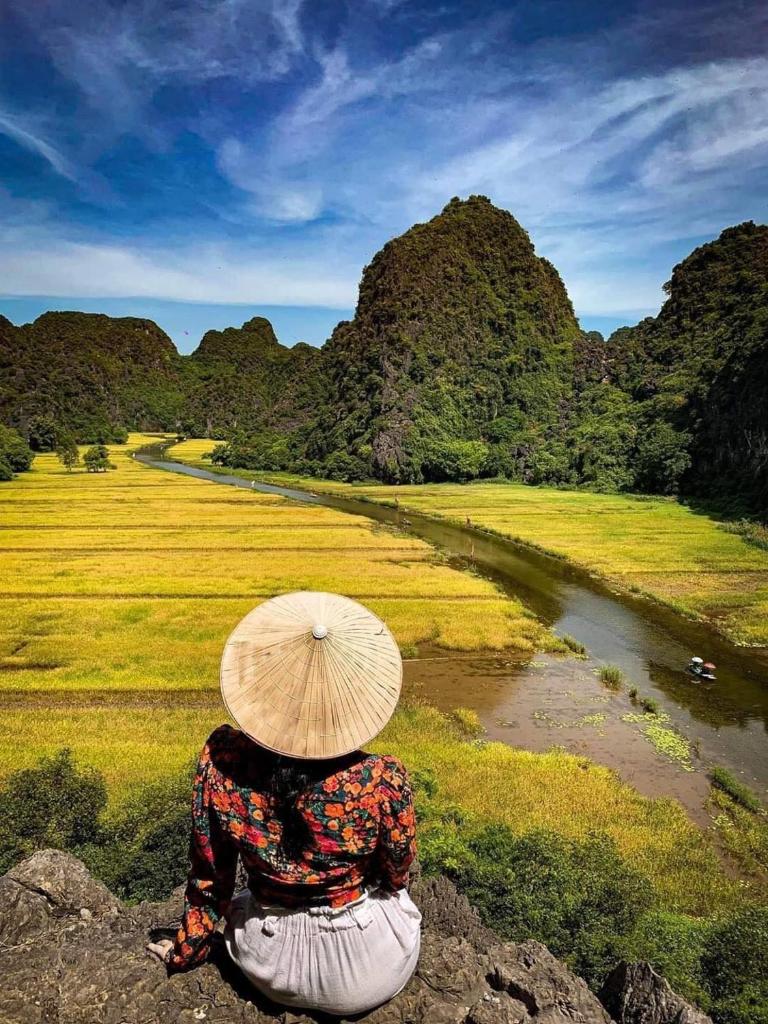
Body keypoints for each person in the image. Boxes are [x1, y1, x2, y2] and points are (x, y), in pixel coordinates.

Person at [147, 591, 420, 1016]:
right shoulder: (381, 779)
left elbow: (210, 881)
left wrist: (184, 951)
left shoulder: (223, 763)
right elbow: (397, 872)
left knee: (240, 904)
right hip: (370, 968)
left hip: (270, 963)